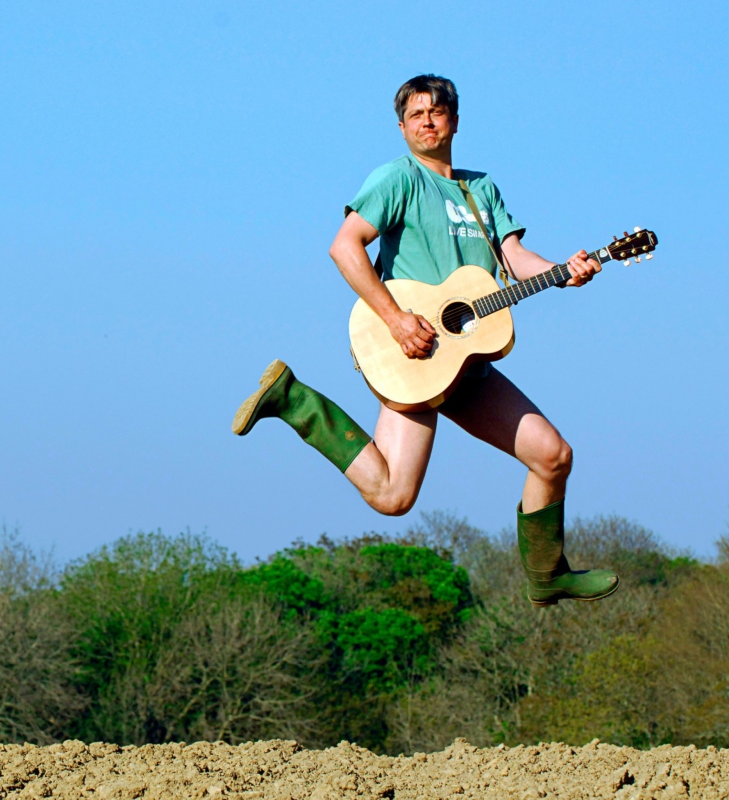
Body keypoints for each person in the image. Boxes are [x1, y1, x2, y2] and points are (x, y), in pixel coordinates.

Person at [232, 74, 618, 607]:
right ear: (402, 126)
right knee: (393, 497)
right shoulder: (397, 179)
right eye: (417, 115)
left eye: (438, 112)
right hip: (413, 352)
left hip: (468, 362)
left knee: (553, 456)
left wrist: (562, 270)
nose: (428, 121)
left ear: (455, 121)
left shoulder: (480, 189)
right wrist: (394, 319)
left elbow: (512, 259)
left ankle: (547, 575)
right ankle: (296, 402)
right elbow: (345, 248)